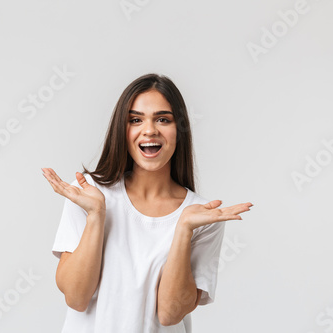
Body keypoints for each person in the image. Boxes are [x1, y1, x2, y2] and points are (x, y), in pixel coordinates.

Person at [42, 73, 253, 333]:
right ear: (123, 129)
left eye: (163, 119)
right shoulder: (88, 194)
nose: (150, 130)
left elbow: (170, 314)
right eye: (136, 120)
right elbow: (76, 298)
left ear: (179, 130)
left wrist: (184, 229)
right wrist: (96, 215)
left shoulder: (202, 216)